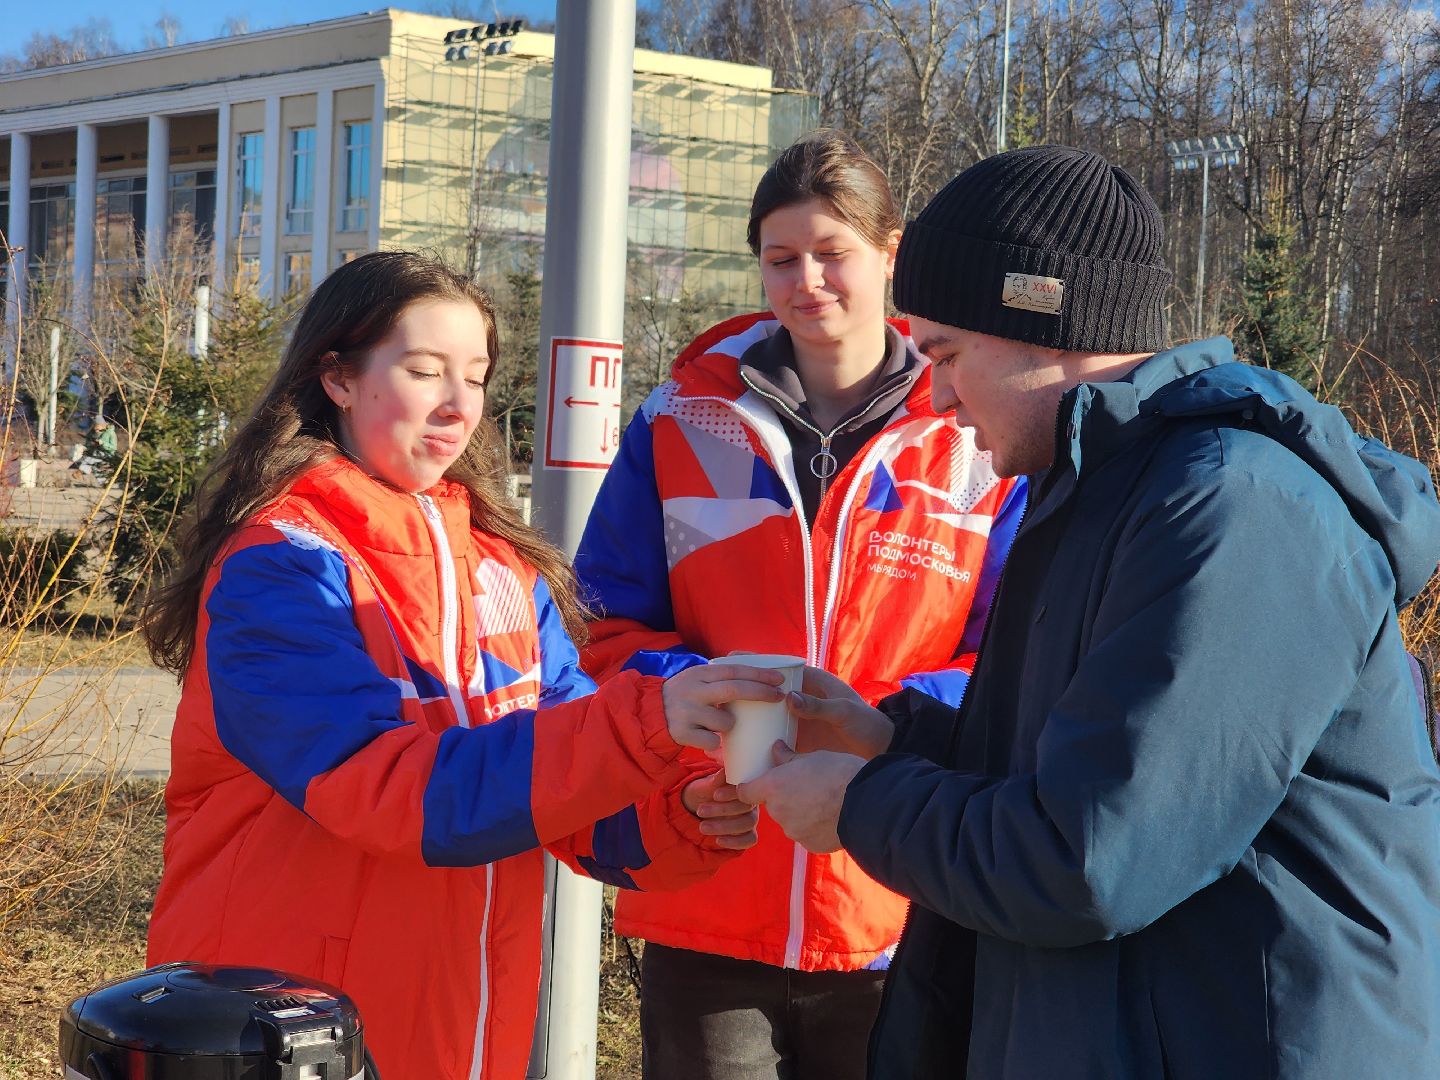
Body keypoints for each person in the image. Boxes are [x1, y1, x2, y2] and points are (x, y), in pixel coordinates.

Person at [742, 145, 1440, 1078]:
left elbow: (1092, 859)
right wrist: (889, 743)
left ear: (1045, 319)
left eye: (947, 353)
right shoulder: (1097, 496)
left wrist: (862, 806)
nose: (937, 396)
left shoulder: (1234, 509)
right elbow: (1076, 776)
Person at [142, 251, 786, 1080]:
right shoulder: (281, 565)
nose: (457, 405)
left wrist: (683, 814)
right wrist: (645, 718)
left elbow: (566, 793)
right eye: (423, 371)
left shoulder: (503, 567)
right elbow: (392, 794)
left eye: (476, 377)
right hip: (286, 1034)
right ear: (336, 377)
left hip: (467, 1028)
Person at [574, 131, 1023, 1079]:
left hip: (899, 905)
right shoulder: (679, 419)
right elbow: (600, 626)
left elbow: (1017, 657)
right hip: (709, 886)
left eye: (834, 253)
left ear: (892, 254)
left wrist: (883, 730)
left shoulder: (975, 434)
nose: (806, 280)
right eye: (782, 259)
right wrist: (696, 693)